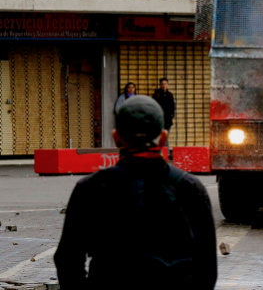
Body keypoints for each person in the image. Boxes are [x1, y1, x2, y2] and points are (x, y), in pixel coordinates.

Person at [54, 96, 217, 290]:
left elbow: (68, 260)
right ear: (163, 138)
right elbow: (206, 270)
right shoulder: (190, 187)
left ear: (116, 138)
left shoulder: (90, 188)